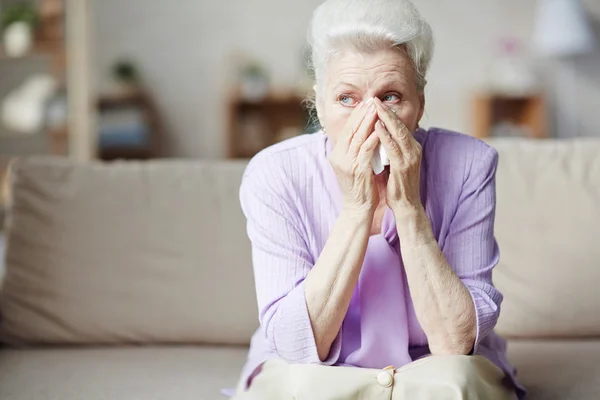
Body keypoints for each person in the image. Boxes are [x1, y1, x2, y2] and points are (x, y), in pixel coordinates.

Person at [233, 0, 524, 398]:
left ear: (419, 104)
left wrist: (409, 209)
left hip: (433, 366)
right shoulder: (274, 173)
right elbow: (298, 346)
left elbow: (456, 344)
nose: (370, 121)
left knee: (458, 385)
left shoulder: (470, 164)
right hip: (316, 369)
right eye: (347, 99)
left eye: (390, 97)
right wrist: (356, 210)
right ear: (318, 105)